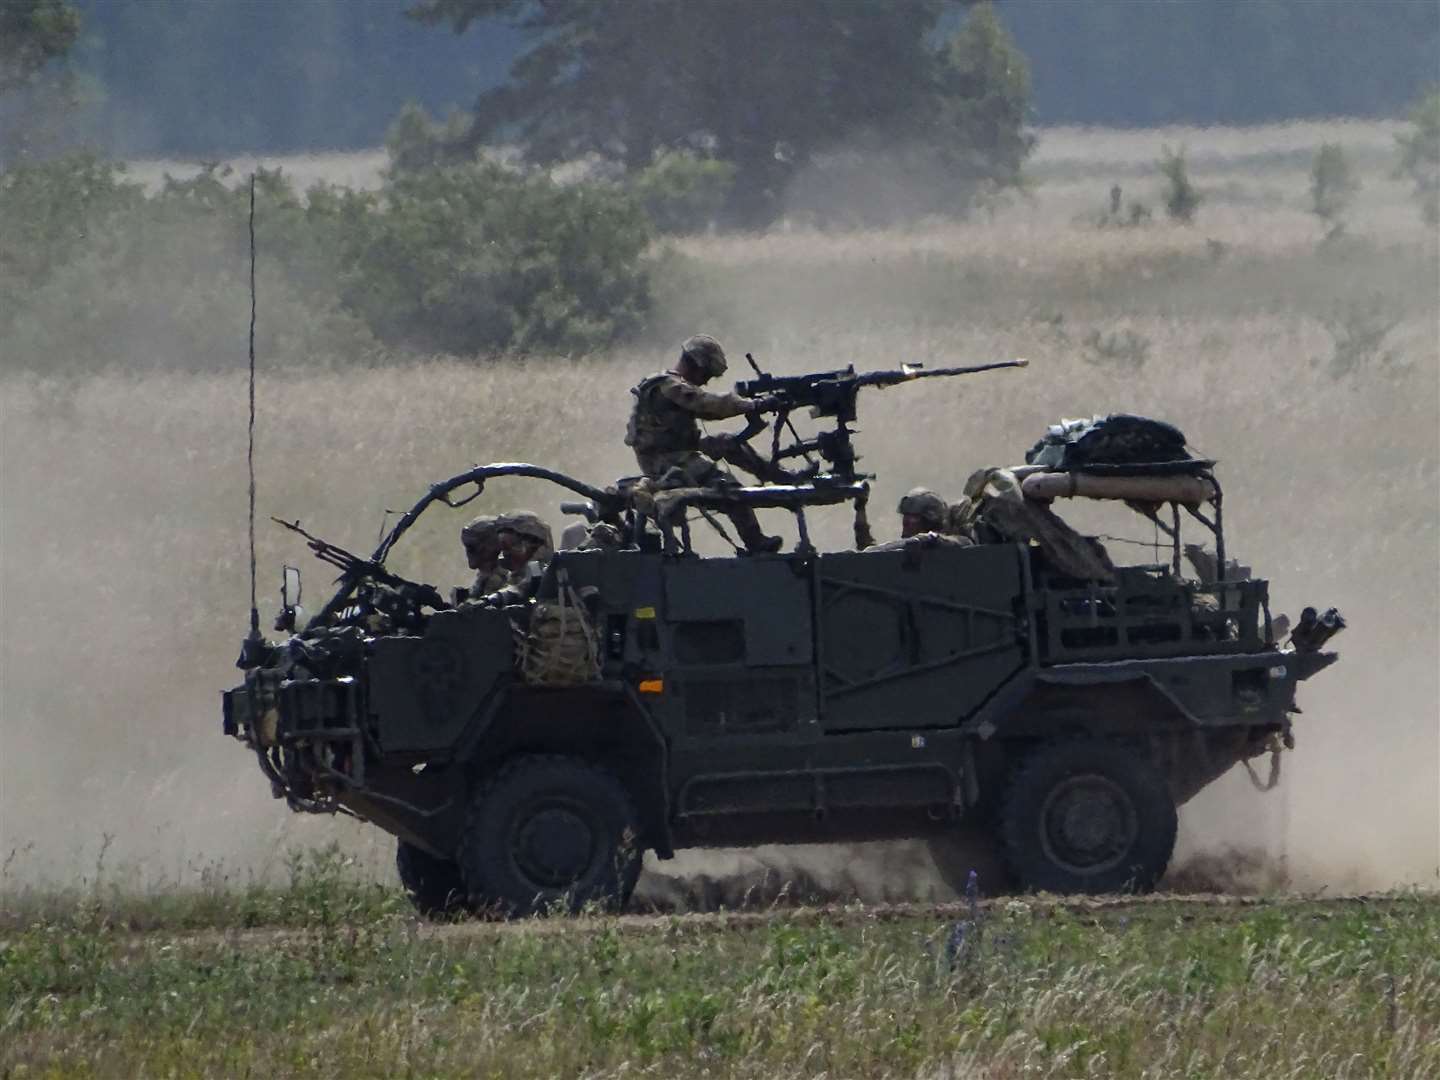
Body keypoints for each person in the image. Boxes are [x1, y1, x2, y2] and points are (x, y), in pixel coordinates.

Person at [625, 334, 784, 553]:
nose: (706, 380)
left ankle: (781, 476)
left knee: (728, 442)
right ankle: (755, 542)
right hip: (665, 462)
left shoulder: (668, 385)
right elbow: (707, 404)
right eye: (706, 374)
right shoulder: (668, 386)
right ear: (696, 365)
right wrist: (753, 405)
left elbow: (708, 412)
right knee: (728, 485)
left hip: (675, 453)